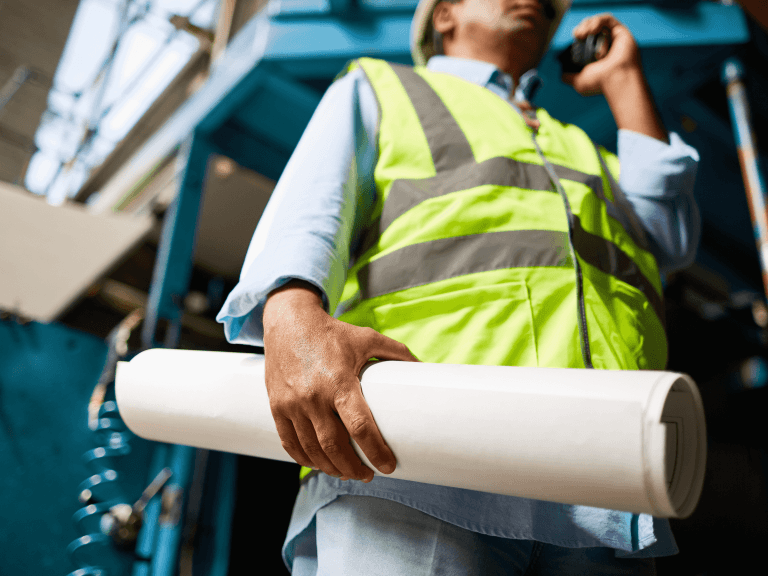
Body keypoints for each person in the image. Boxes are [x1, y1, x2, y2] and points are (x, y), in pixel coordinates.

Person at [217, 0, 700, 573]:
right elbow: (313, 205)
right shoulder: (388, 88)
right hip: (417, 459)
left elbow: (668, 237)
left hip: (598, 481)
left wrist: (622, 81)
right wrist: (291, 313)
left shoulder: (579, 146)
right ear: (444, 15)